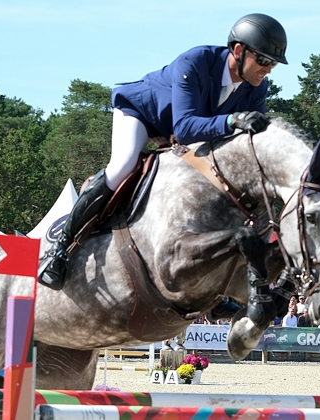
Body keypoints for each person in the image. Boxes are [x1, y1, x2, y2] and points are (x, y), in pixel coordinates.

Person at [38, 13, 288, 290]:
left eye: (273, 63)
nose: (268, 69)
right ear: (239, 51)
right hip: (143, 114)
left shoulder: (256, 87)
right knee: (122, 166)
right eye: (263, 60)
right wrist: (231, 121)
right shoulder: (196, 62)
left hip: (189, 132)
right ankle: (60, 251)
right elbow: (184, 128)